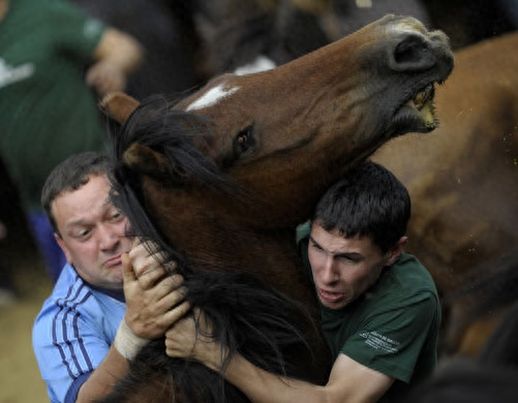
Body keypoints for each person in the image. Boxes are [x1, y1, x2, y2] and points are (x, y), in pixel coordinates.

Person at [165, 161, 441, 402]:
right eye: (318, 249)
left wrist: (213, 354)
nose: (326, 274)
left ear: (392, 252)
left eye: (349, 259)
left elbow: (335, 401)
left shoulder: (411, 297)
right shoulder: (296, 241)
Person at [0, 0, 143, 281]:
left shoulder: (42, 13)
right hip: (39, 207)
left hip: (100, 195)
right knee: (75, 304)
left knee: (136, 283)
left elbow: (125, 48)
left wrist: (112, 67)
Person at [32, 152, 189, 403]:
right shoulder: (61, 321)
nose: (108, 241)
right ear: (64, 248)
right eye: (84, 233)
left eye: (116, 216)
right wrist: (132, 334)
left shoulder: (186, 252)